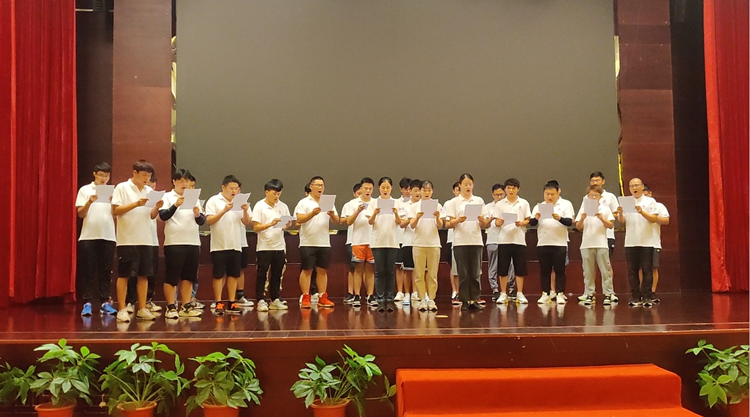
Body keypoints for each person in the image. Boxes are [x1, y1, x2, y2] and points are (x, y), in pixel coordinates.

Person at [111, 160, 161, 322]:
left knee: (144, 275)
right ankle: (122, 309)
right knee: (124, 274)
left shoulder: (149, 191)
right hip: (127, 239)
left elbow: (152, 216)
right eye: (144, 175)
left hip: (146, 239)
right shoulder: (122, 187)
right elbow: (115, 210)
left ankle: (142, 308)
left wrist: (157, 207)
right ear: (135, 173)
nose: (147, 179)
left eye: (149, 176)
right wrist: (136, 204)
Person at [158, 169, 204, 318]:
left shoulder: (194, 198)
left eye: (187, 181)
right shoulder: (167, 196)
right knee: (172, 277)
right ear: (174, 182)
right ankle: (171, 306)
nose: (184, 184)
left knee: (188, 277)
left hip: (193, 242)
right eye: (181, 181)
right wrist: (175, 205)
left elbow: (201, 221)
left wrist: (197, 214)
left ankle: (185, 306)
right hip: (174, 243)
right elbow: (163, 216)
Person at [205, 175, 252, 315]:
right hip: (219, 245)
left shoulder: (240, 202)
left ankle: (232, 302)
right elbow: (209, 220)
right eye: (231, 188)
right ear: (223, 187)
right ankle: (218, 302)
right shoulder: (214, 200)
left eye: (236, 189)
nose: (234, 191)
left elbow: (247, 222)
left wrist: (245, 210)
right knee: (219, 275)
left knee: (233, 274)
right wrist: (224, 210)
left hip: (236, 244)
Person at [75, 162, 117, 316]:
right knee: (88, 270)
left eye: (106, 175)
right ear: (94, 174)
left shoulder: (113, 192)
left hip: (108, 235)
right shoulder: (85, 190)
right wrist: (89, 201)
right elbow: (80, 213)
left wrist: (113, 203)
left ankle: (105, 302)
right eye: (101, 175)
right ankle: (86, 303)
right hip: (89, 236)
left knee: (106, 271)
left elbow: (117, 214)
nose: (103, 178)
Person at [445, 173, 491, 311]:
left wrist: (482, 220)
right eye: (465, 184)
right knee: (463, 274)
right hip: (460, 242)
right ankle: (464, 300)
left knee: (475, 273)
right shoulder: (453, 202)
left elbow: (484, 225)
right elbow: (448, 224)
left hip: (476, 241)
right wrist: (458, 220)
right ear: (460, 185)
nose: (468, 187)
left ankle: (474, 299)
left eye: (470, 184)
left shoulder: (478, 201)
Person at [295, 176, 339, 309]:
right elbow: (299, 219)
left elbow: (336, 221)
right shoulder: (304, 202)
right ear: (311, 186)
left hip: (324, 242)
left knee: (322, 270)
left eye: (322, 185)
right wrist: (312, 214)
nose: (320, 188)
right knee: (307, 270)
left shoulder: (328, 202)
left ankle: (322, 297)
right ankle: (306, 296)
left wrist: (332, 215)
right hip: (308, 242)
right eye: (317, 185)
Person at [616, 178, 659, 307]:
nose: (634, 188)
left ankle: (647, 296)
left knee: (647, 270)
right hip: (631, 242)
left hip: (647, 241)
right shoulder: (627, 202)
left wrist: (642, 212)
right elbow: (622, 222)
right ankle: (635, 296)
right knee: (632, 270)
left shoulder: (650, 201)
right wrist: (620, 214)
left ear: (642, 186)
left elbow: (653, 219)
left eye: (636, 185)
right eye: (631, 186)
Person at [530, 181, 575, 304]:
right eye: (547, 194)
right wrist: (536, 218)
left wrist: (559, 218)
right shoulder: (539, 206)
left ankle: (560, 293)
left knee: (560, 270)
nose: (549, 197)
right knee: (545, 270)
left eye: (552, 194)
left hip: (559, 243)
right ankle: (545, 293)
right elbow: (532, 223)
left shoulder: (565, 204)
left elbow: (569, 222)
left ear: (558, 193)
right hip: (543, 243)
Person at [251, 179, 292, 312]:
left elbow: (285, 226)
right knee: (262, 274)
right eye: (274, 193)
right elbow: (255, 227)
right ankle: (261, 300)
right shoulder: (259, 206)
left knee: (277, 274)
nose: (276, 196)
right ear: (266, 192)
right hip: (264, 246)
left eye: (279, 194)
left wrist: (287, 225)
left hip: (279, 246)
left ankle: (275, 299)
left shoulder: (283, 206)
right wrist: (270, 224)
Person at [366, 177, 405, 312]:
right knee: (379, 272)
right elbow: (370, 222)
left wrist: (396, 213)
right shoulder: (373, 202)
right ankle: (380, 299)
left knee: (390, 271)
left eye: (387, 187)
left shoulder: (397, 203)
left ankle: (389, 299)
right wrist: (375, 213)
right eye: (383, 187)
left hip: (392, 242)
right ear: (379, 188)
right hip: (377, 242)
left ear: (391, 188)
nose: (385, 190)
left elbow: (400, 222)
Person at [575, 184, 617, 305]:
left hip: (601, 243)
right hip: (586, 243)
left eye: (596, 195)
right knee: (588, 271)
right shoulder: (584, 208)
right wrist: (582, 218)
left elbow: (610, 225)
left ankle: (608, 293)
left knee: (605, 270)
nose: (593, 197)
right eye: (590, 195)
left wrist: (601, 218)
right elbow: (578, 227)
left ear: (600, 197)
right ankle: (589, 293)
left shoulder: (605, 209)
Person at [493, 178, 531, 305]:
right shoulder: (500, 204)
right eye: (508, 188)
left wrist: (522, 223)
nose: (511, 190)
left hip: (519, 240)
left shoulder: (524, 203)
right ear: (505, 189)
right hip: (504, 240)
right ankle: (503, 293)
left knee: (520, 268)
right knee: (503, 268)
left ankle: (519, 293)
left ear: (518, 189)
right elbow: (496, 222)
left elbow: (528, 219)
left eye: (513, 188)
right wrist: (499, 222)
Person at [408, 180, 444, 311]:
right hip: (418, 243)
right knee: (419, 274)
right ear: (420, 191)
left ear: (432, 191)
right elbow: (412, 225)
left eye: (429, 190)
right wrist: (417, 217)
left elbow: (440, 225)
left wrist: (437, 217)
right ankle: (422, 299)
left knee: (433, 274)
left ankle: (432, 299)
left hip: (434, 244)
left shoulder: (437, 206)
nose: (427, 193)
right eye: (424, 190)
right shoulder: (414, 206)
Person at [346, 177, 376, 307]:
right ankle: (357, 295)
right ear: (361, 189)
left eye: (370, 188)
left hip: (373, 241)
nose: (368, 191)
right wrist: (358, 211)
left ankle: (370, 295)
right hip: (358, 240)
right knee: (358, 269)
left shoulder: (376, 203)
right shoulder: (352, 204)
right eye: (365, 188)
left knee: (370, 269)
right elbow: (348, 221)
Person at [485, 184, 516, 303]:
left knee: (510, 265)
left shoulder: (509, 205)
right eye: (497, 195)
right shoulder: (487, 207)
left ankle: (511, 289)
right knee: (493, 266)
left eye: (501, 194)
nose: (499, 197)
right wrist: (493, 218)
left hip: (508, 239)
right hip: (493, 239)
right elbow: (484, 224)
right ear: (492, 195)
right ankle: (495, 290)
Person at [643, 184, 670, 303]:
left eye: (646, 193)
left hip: (654, 242)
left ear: (650, 193)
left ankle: (652, 292)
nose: (645, 196)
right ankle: (643, 291)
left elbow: (666, 220)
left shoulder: (658, 206)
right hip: (640, 242)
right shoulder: (636, 207)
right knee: (641, 269)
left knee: (653, 268)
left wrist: (652, 217)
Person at [396, 179, 421, 305]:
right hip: (407, 240)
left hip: (421, 241)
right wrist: (412, 219)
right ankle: (406, 293)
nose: (417, 193)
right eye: (414, 190)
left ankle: (416, 292)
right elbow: (401, 224)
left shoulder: (424, 205)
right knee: (406, 269)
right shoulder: (405, 206)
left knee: (418, 269)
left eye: (419, 190)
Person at [340, 183, 362, 304]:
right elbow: (343, 220)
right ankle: (351, 293)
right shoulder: (349, 205)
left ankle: (366, 294)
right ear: (354, 194)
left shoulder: (372, 203)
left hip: (368, 241)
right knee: (353, 267)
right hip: (353, 240)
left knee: (368, 268)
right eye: (358, 193)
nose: (361, 195)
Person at [394, 177, 412, 302]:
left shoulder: (416, 203)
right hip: (398, 238)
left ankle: (412, 292)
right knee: (399, 266)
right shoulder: (396, 203)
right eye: (406, 189)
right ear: (401, 189)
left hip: (411, 239)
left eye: (410, 189)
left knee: (411, 268)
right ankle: (400, 292)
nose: (408, 191)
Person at [445, 182, 461, 305]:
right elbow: (447, 222)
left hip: (465, 239)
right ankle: (454, 290)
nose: (459, 192)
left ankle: (462, 291)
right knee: (454, 267)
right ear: (453, 191)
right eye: (457, 189)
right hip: (452, 239)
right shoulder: (449, 203)